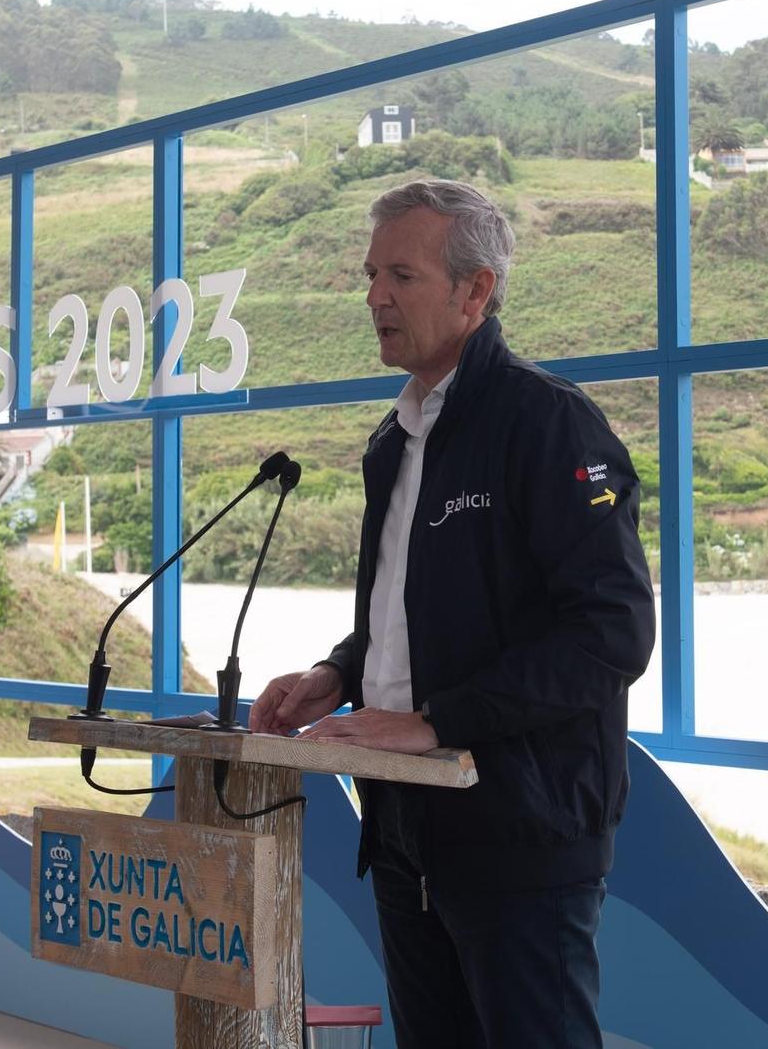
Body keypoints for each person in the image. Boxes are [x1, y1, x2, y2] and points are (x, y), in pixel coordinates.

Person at [250, 177, 656, 1049]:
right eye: (369, 275)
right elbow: (407, 613)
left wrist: (435, 723)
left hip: (521, 834)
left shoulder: (550, 426)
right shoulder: (393, 442)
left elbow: (612, 633)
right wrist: (337, 674)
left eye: (400, 273)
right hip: (404, 834)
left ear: (476, 292)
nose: (374, 297)